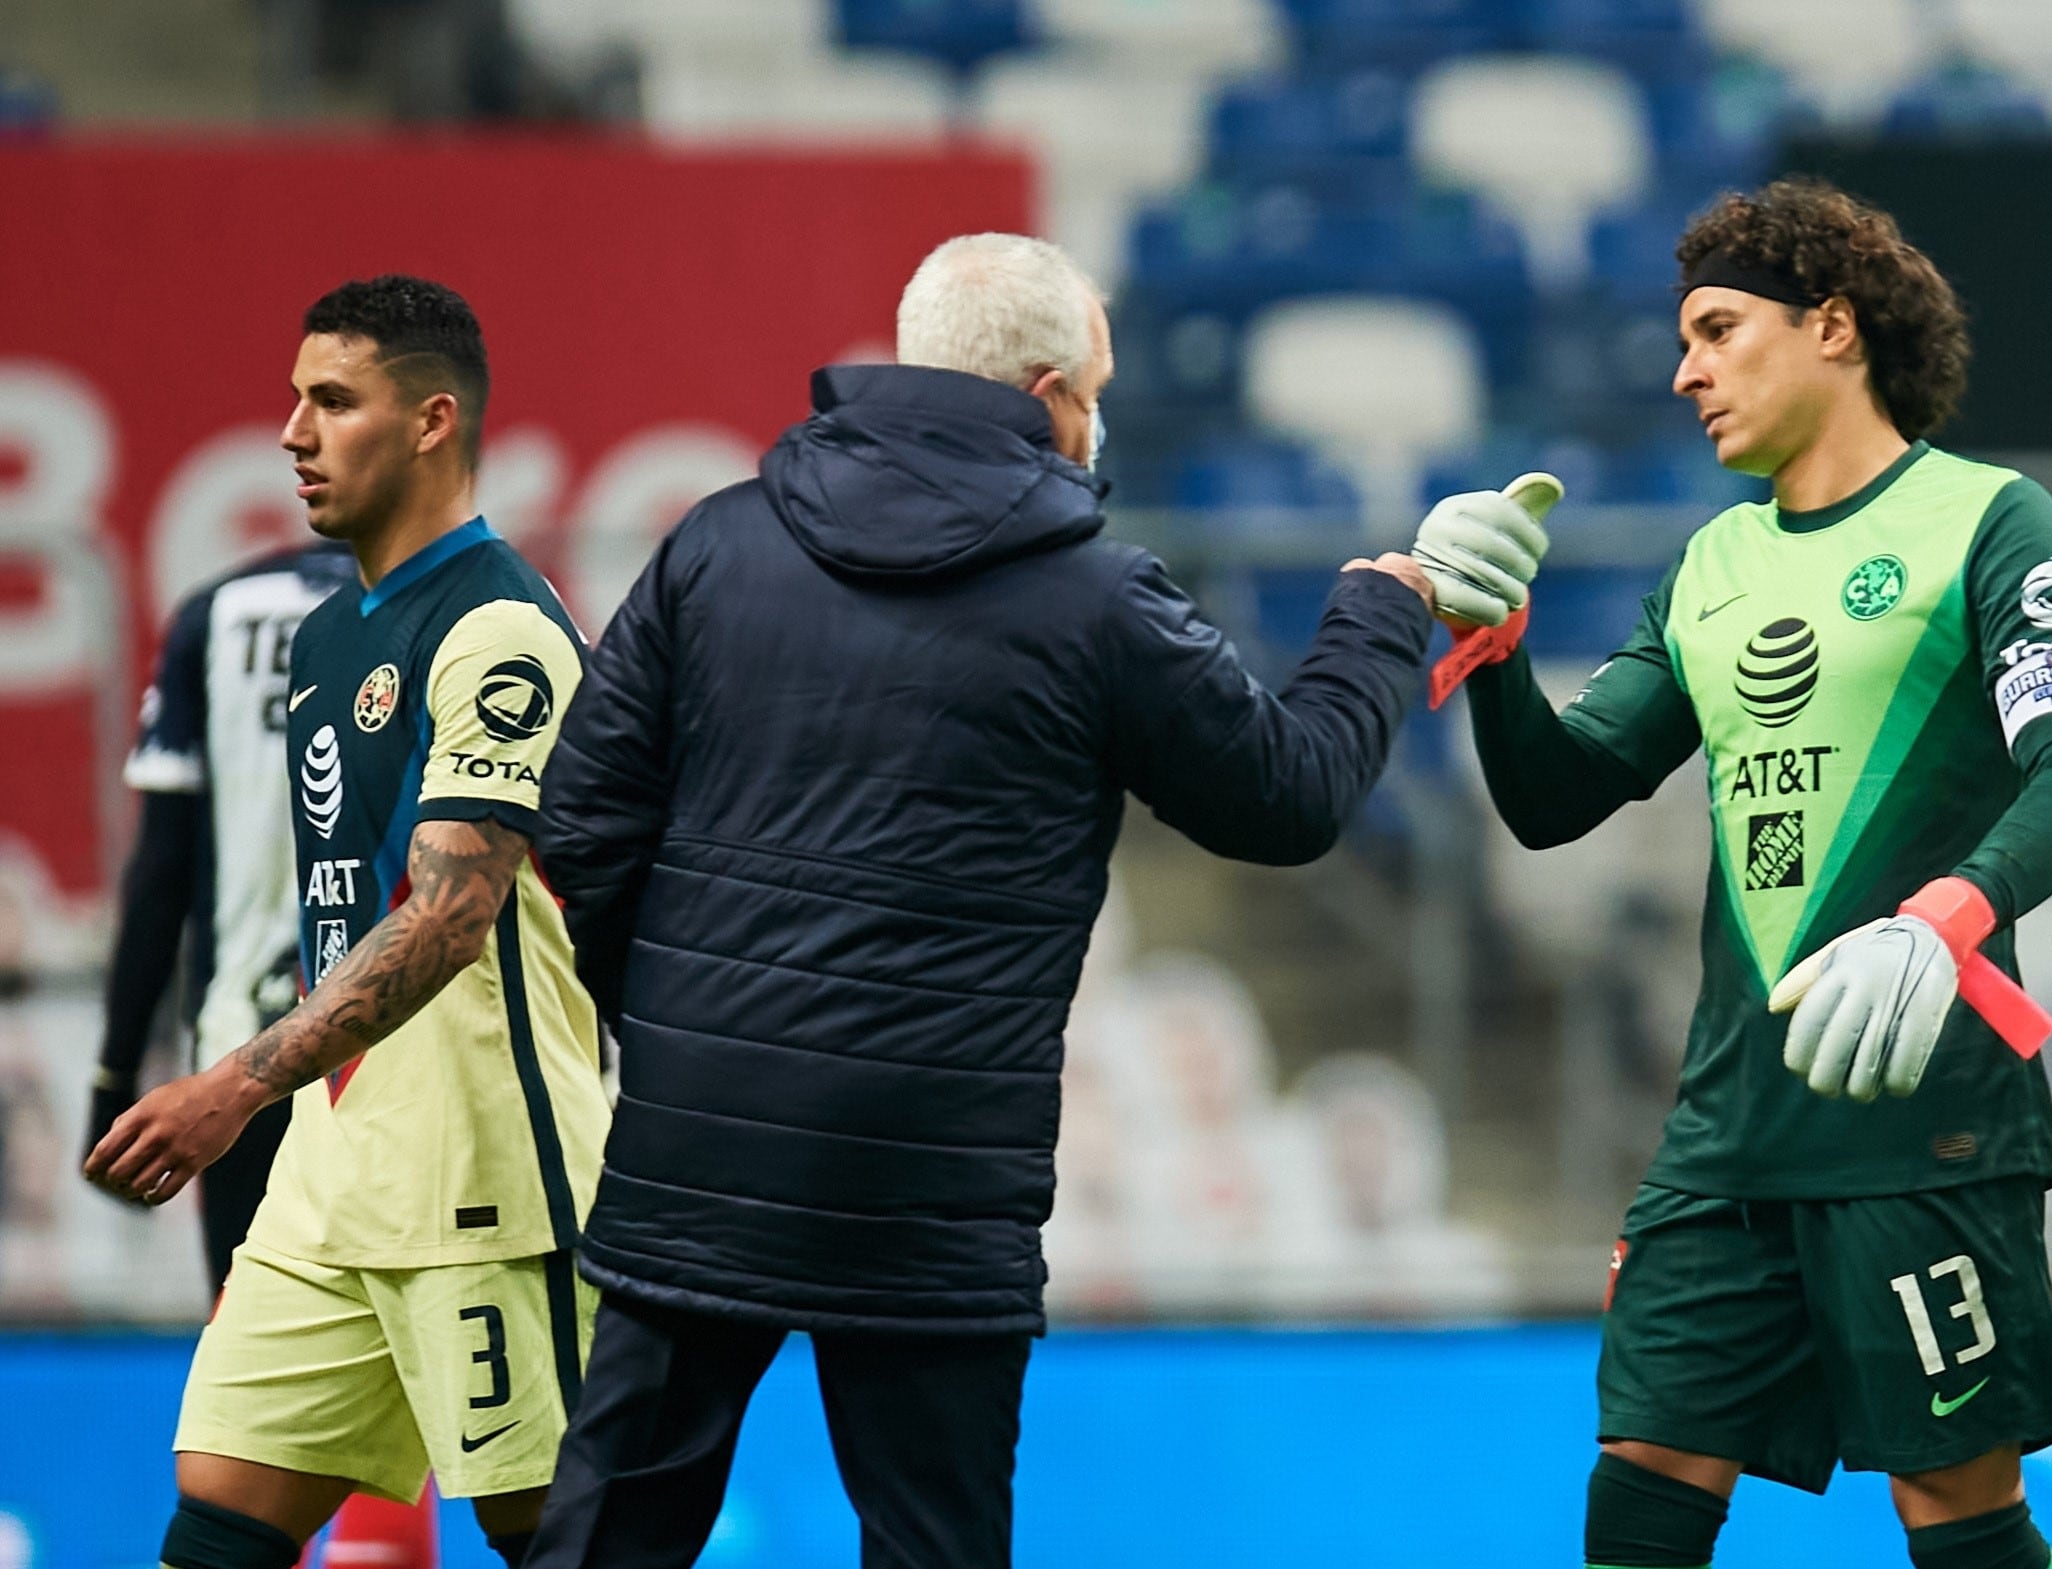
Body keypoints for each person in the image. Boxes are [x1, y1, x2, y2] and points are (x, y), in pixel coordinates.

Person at [526, 231, 1433, 1569]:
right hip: (930, 1174)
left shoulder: (713, 544)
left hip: (703, 1148)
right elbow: (1287, 798)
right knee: (931, 1544)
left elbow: (581, 819)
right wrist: (1375, 616)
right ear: (1054, 389)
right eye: (1101, 386)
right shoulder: (1097, 597)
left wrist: (668, 1021)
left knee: (608, 1537)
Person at [1422, 178, 2052, 1569]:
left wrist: (1943, 921)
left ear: (1835, 329)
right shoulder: (1710, 567)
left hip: (1919, 1119)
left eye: (1717, 329)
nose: (1684, 371)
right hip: (1727, 1128)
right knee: (1641, 1471)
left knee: (1954, 1507)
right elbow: (1557, 798)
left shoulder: (1992, 522)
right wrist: (1492, 648)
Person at [83, 274, 605, 1569]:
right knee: (224, 1495)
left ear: (432, 422)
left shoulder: (501, 627)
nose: (291, 433)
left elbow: (451, 913)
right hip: (336, 1163)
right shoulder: (326, 641)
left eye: (332, 400)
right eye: (294, 399)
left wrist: (233, 1086)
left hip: (482, 1167)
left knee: (544, 1524)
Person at [89, 537, 356, 1291]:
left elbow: (160, 871)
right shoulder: (481, 602)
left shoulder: (220, 610)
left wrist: (114, 1076)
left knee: (254, 1339)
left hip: (241, 1053)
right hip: (403, 1056)